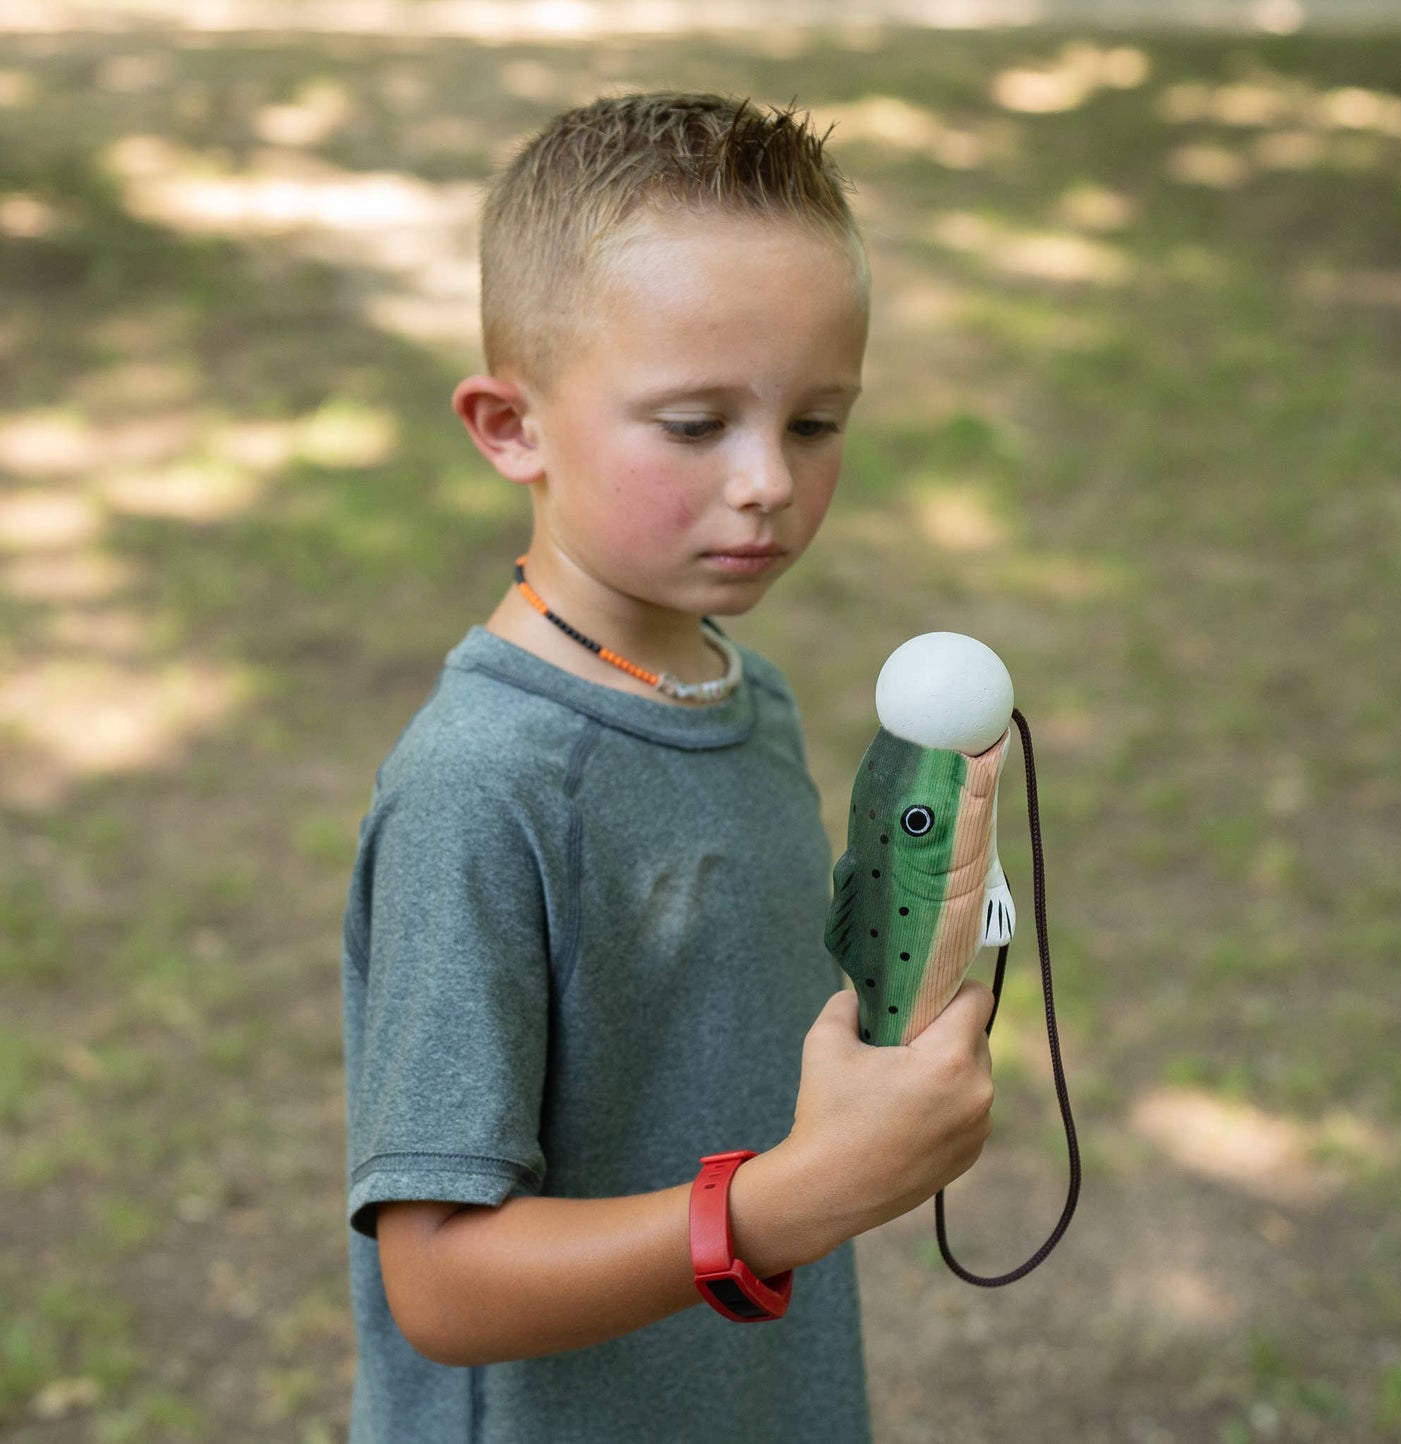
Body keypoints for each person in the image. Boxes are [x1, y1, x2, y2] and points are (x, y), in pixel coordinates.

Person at [339, 91, 996, 1444]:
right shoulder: (483, 787)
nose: (768, 482)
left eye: (815, 423)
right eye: (695, 425)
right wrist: (785, 1204)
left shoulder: (744, 693)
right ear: (510, 426)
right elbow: (440, 1284)